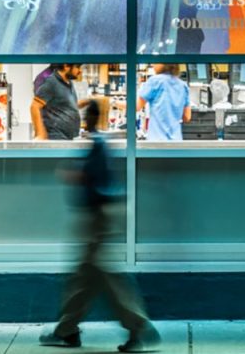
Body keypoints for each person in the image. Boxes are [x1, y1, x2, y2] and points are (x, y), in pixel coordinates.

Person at [40, 98, 160, 353]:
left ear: (91, 118)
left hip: (97, 218)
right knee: (85, 276)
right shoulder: (98, 143)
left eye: (88, 116)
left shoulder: (97, 145)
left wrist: (70, 175)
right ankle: (67, 330)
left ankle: (137, 327)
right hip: (98, 217)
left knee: (102, 275)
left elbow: (91, 178)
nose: (87, 120)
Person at [136, 63, 191, 142]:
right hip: (176, 142)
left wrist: (114, 102)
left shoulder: (155, 81)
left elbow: (136, 106)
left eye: (156, 62)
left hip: (157, 142)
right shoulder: (183, 85)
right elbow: (187, 117)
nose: (153, 64)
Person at [32, 63, 85, 141]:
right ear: (66, 66)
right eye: (77, 67)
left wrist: (86, 102)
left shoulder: (69, 83)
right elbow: (34, 106)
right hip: (56, 137)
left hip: (68, 138)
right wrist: (40, 132)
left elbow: (64, 106)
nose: (80, 71)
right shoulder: (51, 82)